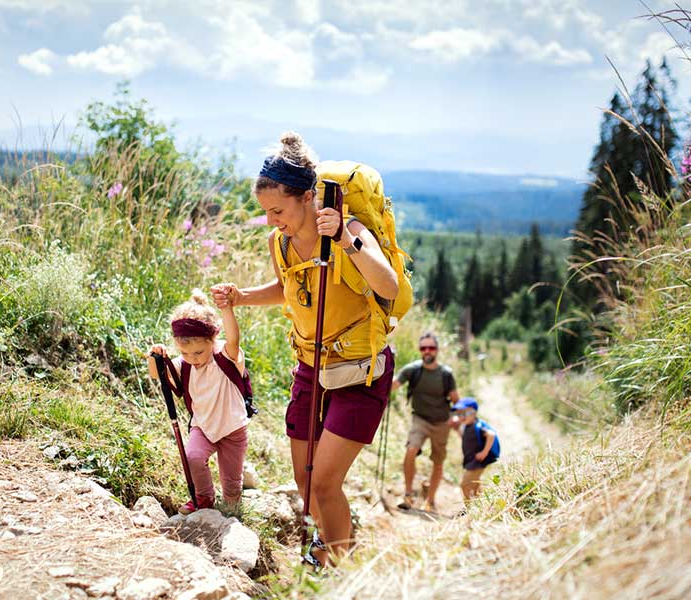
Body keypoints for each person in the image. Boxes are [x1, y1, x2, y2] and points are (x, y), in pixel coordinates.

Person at [211, 131, 398, 568]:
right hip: (310, 367)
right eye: (266, 212)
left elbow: (386, 284)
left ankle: (338, 567)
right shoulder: (280, 241)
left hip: (359, 371)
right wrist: (241, 297)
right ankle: (331, 549)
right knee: (305, 480)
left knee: (325, 483)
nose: (272, 220)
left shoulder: (349, 230)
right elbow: (287, 288)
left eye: (278, 210)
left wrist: (348, 243)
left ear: (309, 197)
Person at [148, 288, 249, 515]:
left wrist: (227, 309)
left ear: (212, 340)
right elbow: (157, 374)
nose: (193, 359)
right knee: (193, 456)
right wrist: (154, 356)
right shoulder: (184, 365)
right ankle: (204, 498)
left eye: (199, 352)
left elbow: (234, 338)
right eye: (185, 353)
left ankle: (233, 507)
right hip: (203, 425)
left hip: (232, 428)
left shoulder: (225, 356)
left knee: (231, 480)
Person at [391, 332, 460, 512]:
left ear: (437, 350)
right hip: (420, 418)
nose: (427, 351)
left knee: (438, 462)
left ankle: (430, 500)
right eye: (423, 348)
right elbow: (394, 385)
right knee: (410, 450)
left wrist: (457, 417)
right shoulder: (412, 370)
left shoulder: (446, 374)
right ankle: (408, 495)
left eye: (431, 348)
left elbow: (456, 401)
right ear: (420, 350)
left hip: (441, 423)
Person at [449, 397, 499, 505]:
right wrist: (457, 429)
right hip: (471, 460)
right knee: (476, 485)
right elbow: (466, 439)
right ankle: (482, 505)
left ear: (473, 413)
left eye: (464, 414)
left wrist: (484, 452)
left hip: (478, 461)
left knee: (464, 485)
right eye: (458, 414)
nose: (460, 417)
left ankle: (469, 508)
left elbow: (491, 435)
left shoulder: (478, 426)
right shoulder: (468, 427)